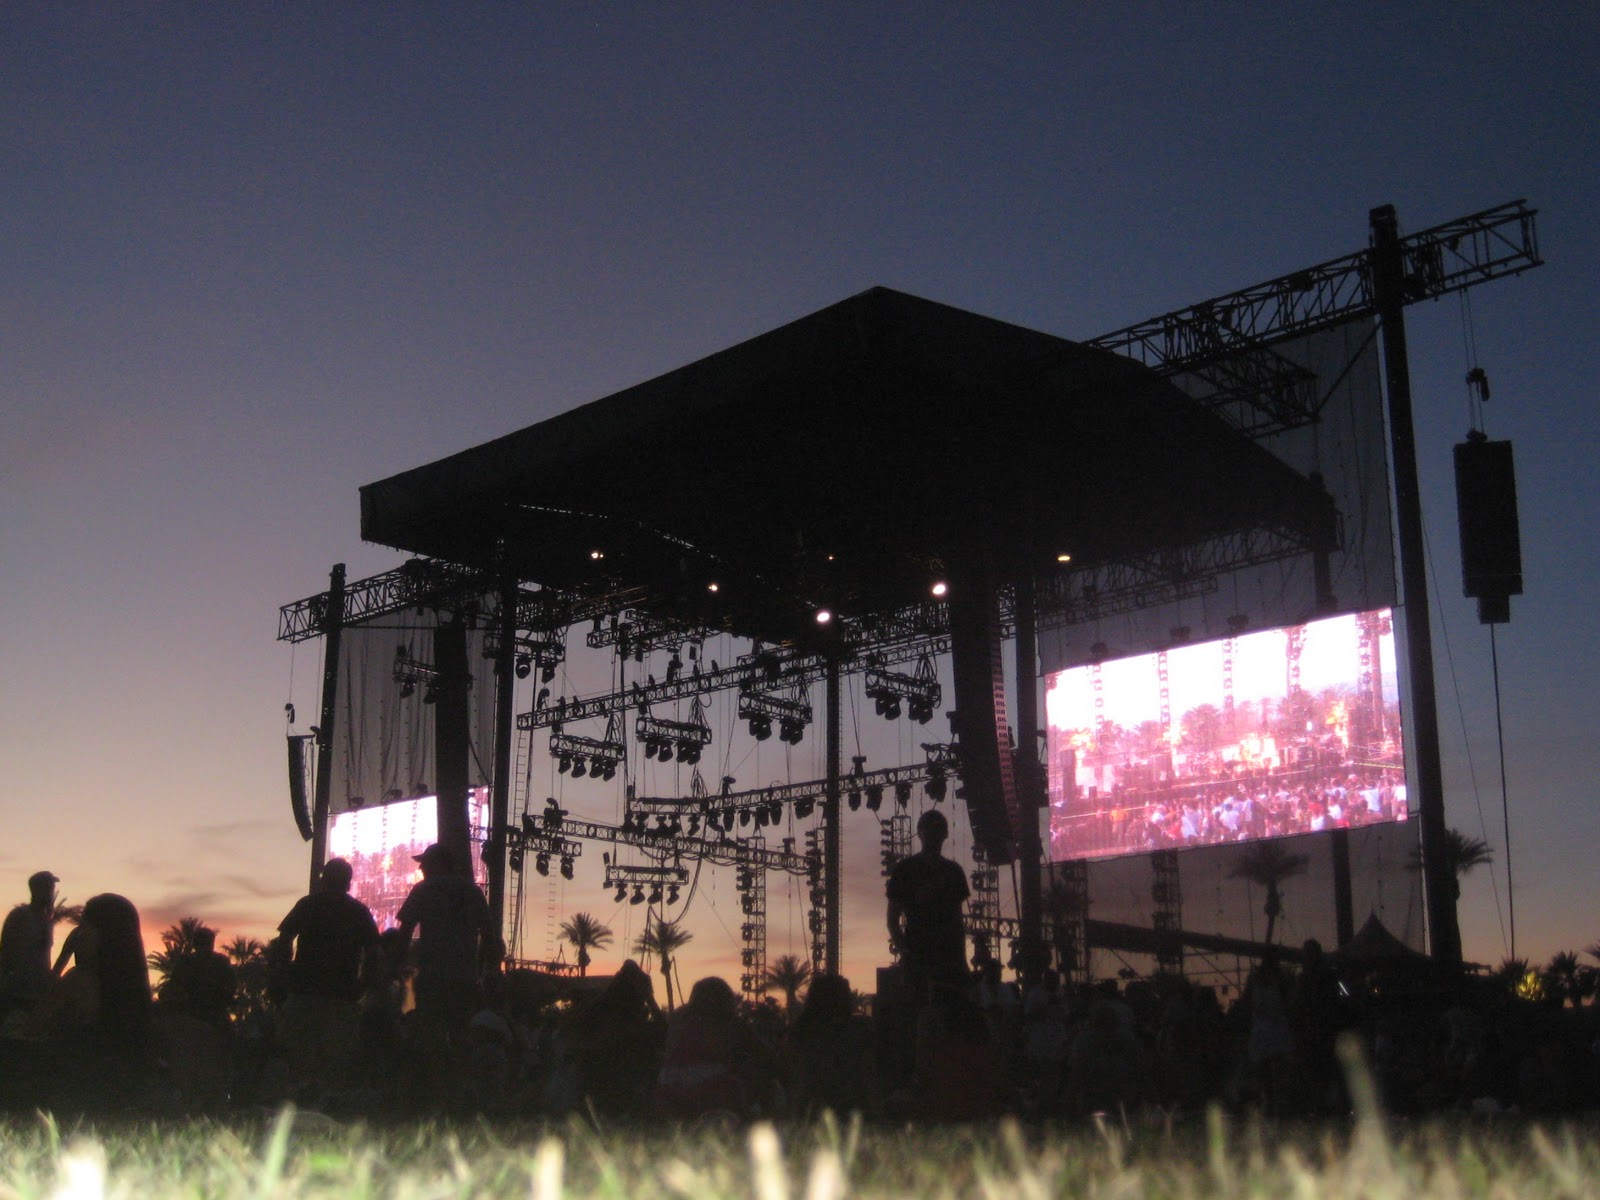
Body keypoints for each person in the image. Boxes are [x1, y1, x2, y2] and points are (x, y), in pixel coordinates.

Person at [276, 857, 380, 1099]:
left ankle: (296, 1105)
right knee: (336, 1058)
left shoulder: (308, 905)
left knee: (300, 1055)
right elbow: (374, 953)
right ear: (348, 882)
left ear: (324, 879)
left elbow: (284, 940)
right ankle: (329, 1104)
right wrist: (362, 984)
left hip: (305, 991)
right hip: (341, 994)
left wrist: (284, 973)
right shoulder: (358, 911)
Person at [396, 843, 494, 1035]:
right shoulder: (474, 892)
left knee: (430, 1036)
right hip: (464, 979)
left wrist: (397, 965)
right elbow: (489, 935)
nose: (421, 868)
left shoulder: (423, 890)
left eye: (424, 863)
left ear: (436, 864)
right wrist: (479, 970)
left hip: (432, 978)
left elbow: (405, 931)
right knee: (460, 1036)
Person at [886, 810, 970, 1000]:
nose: (935, 835)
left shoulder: (953, 871)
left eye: (938, 830)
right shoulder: (905, 870)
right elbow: (892, 920)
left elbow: (957, 921)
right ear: (920, 832)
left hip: (947, 956)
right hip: (921, 956)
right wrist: (907, 953)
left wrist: (961, 959)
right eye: (931, 830)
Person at [0, 871, 59, 1031]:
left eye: (52, 887)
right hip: (16, 990)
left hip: (38, 991)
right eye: (48, 887)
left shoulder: (46, 918)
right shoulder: (20, 916)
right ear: (36, 889)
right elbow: (6, 950)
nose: (51, 891)